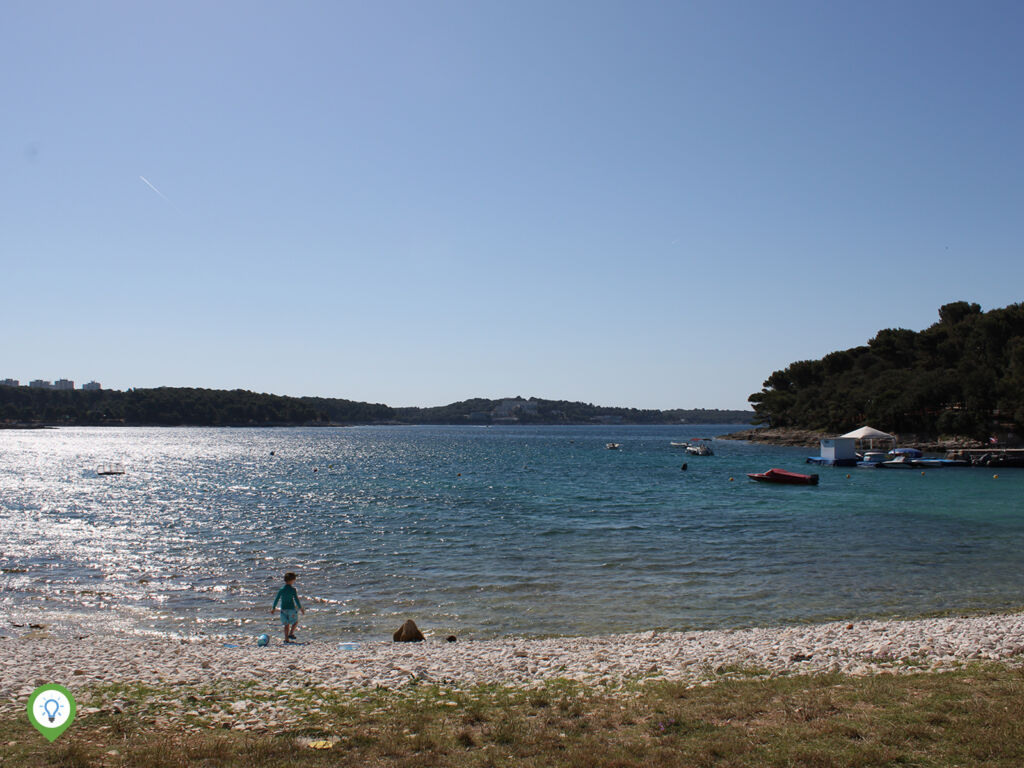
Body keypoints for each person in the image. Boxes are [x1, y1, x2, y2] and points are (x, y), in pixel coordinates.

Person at [270, 572, 305, 644]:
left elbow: (277, 599)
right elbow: (296, 599)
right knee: (295, 622)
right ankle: (291, 633)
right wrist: (301, 608)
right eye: (294, 580)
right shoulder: (293, 590)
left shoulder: (281, 589)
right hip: (291, 609)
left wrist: (273, 608)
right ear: (292, 580)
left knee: (286, 625)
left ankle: (286, 639)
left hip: (283, 610)